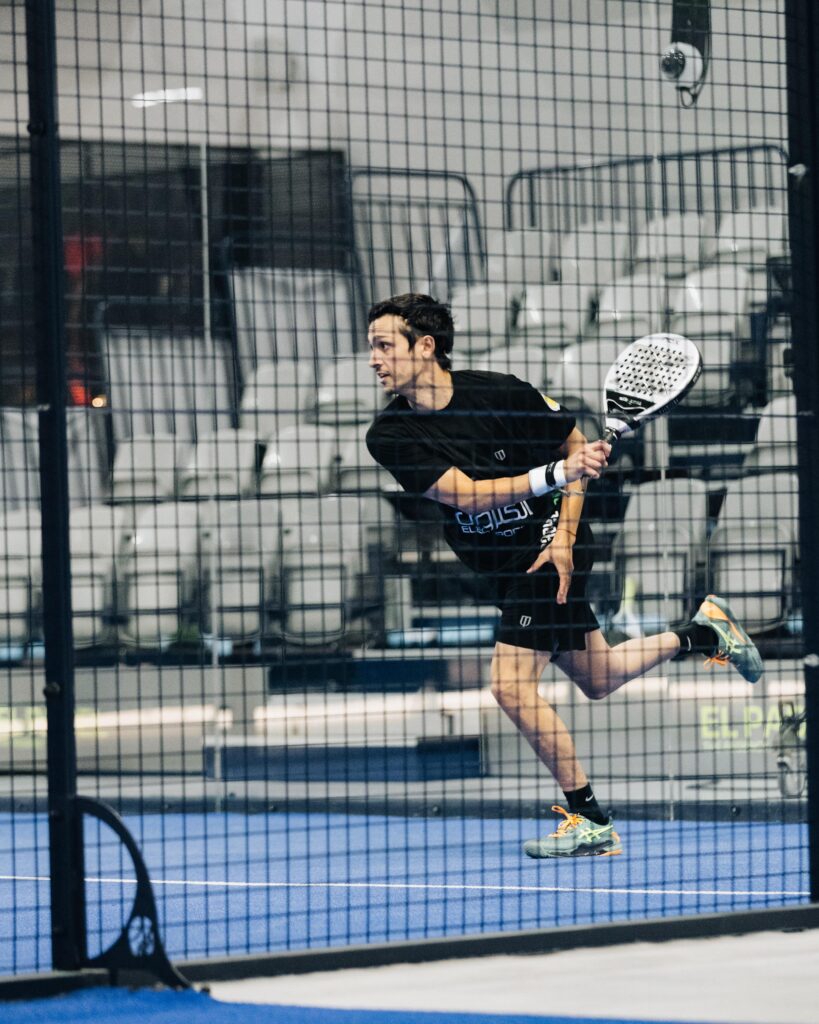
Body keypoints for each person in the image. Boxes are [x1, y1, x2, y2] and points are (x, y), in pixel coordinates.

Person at [365, 293, 763, 859]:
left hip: (549, 554)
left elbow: (574, 446)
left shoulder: (502, 393)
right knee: (599, 676)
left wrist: (564, 538)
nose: (375, 359)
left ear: (425, 346)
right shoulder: (390, 434)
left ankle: (589, 818)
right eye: (372, 348)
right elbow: (467, 496)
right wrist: (556, 472)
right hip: (501, 567)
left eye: (385, 345)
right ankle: (705, 632)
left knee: (509, 686)